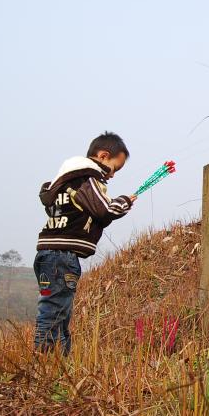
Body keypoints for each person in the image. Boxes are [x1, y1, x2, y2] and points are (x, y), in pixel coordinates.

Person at [33, 132, 136, 355]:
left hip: (48, 254)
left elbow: (94, 216)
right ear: (103, 156)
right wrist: (124, 202)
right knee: (54, 312)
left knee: (56, 310)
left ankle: (57, 362)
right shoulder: (88, 179)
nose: (112, 175)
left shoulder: (64, 182)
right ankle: (44, 361)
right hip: (63, 256)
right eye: (114, 168)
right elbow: (105, 209)